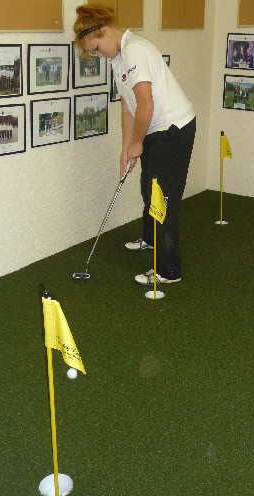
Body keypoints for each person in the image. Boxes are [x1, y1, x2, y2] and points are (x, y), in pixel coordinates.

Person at [73, 4, 196, 285]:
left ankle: (168, 271)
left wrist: (138, 142)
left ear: (104, 31)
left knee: (162, 199)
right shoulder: (119, 57)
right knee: (148, 186)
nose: (98, 55)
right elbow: (128, 107)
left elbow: (146, 104)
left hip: (173, 129)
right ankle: (152, 240)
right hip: (154, 128)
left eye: (97, 49)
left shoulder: (135, 50)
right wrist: (126, 147)